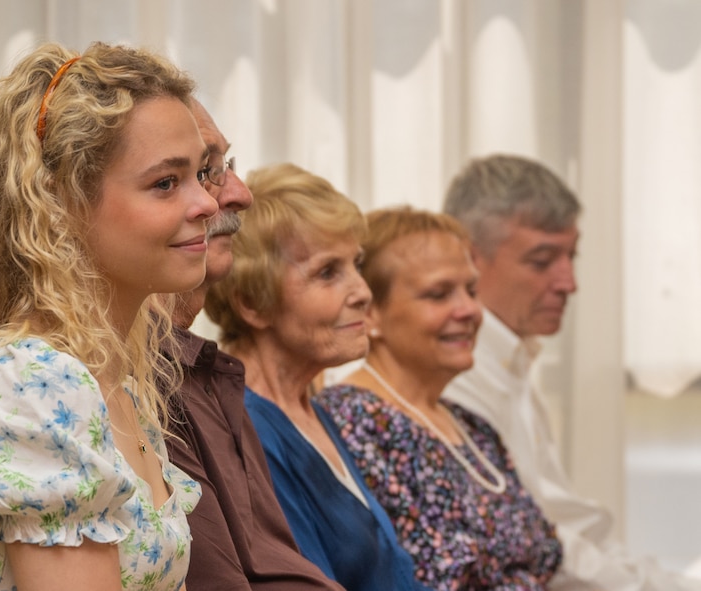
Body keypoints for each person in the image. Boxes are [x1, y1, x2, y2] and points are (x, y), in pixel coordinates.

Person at [0, 41, 217, 591]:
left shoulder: (114, 383)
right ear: (61, 201)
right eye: (165, 183)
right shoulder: (31, 380)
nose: (206, 203)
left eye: (202, 174)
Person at [442, 153, 701, 591]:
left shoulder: (512, 362)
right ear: (470, 259)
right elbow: (542, 549)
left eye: (571, 256)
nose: (569, 282)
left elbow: (571, 528)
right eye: (542, 261)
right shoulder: (456, 379)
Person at [204, 163, 426, 591]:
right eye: (328, 272)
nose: (362, 291)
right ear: (253, 301)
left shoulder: (309, 409)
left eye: (356, 264)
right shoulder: (244, 425)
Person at [316, 206, 562, 590]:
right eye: (439, 294)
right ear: (372, 311)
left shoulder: (472, 427)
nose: (469, 310)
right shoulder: (351, 422)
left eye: (471, 290)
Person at [165, 102, 346, 590]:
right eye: (206, 171)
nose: (239, 195)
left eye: (224, 167)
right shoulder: (109, 378)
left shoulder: (209, 375)